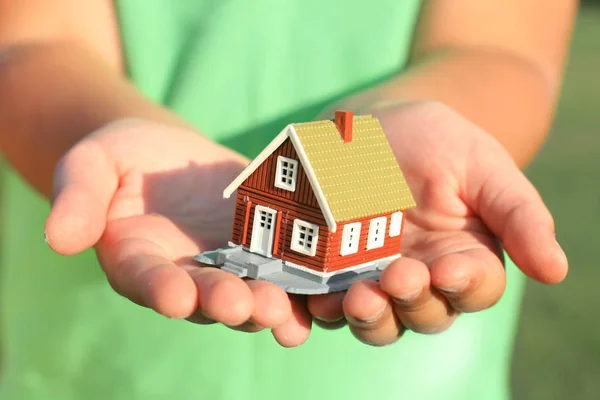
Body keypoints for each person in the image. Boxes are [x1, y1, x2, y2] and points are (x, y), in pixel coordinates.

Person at [0, 0, 575, 399]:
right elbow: (31, 41)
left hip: (402, 373)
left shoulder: (350, 180)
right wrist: (105, 126)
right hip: (98, 356)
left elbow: (500, 50)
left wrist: (382, 133)